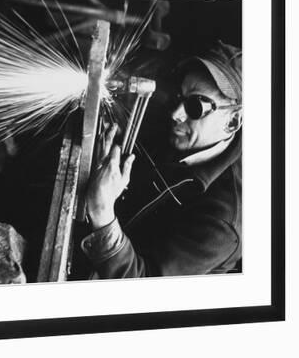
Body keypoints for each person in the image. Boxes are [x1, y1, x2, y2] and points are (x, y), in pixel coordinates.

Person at [81, 41, 243, 278]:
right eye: (180, 96)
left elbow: (142, 285)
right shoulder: (182, 132)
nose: (176, 114)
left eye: (195, 107)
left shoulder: (221, 221)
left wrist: (102, 211)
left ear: (232, 121)